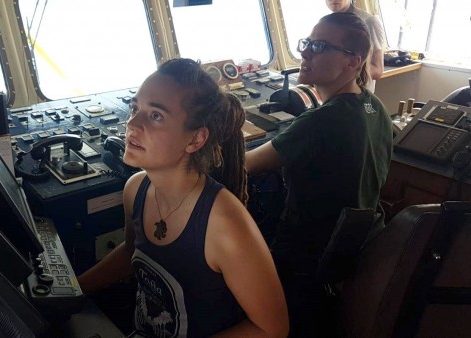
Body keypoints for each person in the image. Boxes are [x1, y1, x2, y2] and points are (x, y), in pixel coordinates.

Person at [78, 58, 289, 337]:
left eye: (156, 116)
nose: (132, 123)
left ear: (195, 140)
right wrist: (72, 289)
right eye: (135, 108)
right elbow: (132, 252)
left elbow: (271, 328)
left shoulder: (224, 222)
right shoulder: (136, 189)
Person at [245, 12, 393, 337]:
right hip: (358, 246)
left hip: (305, 260)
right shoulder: (374, 107)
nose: (305, 53)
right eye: (307, 43)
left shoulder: (322, 121)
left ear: (353, 62)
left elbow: (245, 166)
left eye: (320, 46)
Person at [326, 0, 386, 92]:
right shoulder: (325, 24)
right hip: (332, 95)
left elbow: (377, 71)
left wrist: (340, 71)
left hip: (357, 97)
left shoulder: (369, 21)